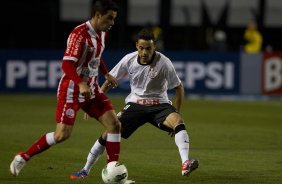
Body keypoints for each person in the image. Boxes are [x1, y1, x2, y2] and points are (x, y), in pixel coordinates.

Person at [10, 0, 122, 177]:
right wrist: (80, 83)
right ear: (98, 15)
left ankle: (112, 170)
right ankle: (23, 156)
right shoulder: (79, 34)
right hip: (72, 90)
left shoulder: (102, 33)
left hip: (91, 90)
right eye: (109, 18)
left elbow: (95, 57)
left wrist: (106, 73)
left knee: (114, 125)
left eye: (114, 19)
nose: (112, 23)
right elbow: (67, 65)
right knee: (61, 135)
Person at [70, 28, 199, 180]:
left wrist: (176, 111)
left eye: (148, 48)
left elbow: (179, 87)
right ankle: (85, 169)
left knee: (178, 122)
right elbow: (108, 81)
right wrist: (94, 102)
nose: (144, 52)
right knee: (108, 133)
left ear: (154, 46)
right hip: (135, 105)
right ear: (137, 45)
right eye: (141, 48)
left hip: (159, 104)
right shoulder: (129, 60)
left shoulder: (164, 63)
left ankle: (185, 163)